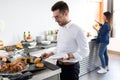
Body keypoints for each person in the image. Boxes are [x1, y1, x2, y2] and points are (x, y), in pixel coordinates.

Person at [41, 1, 89, 80]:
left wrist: (69, 56)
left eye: (57, 17)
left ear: (66, 13)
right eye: (54, 17)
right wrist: (50, 53)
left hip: (71, 68)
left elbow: (85, 52)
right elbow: (59, 47)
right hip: (59, 65)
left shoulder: (78, 29)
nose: (55, 20)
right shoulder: (61, 28)